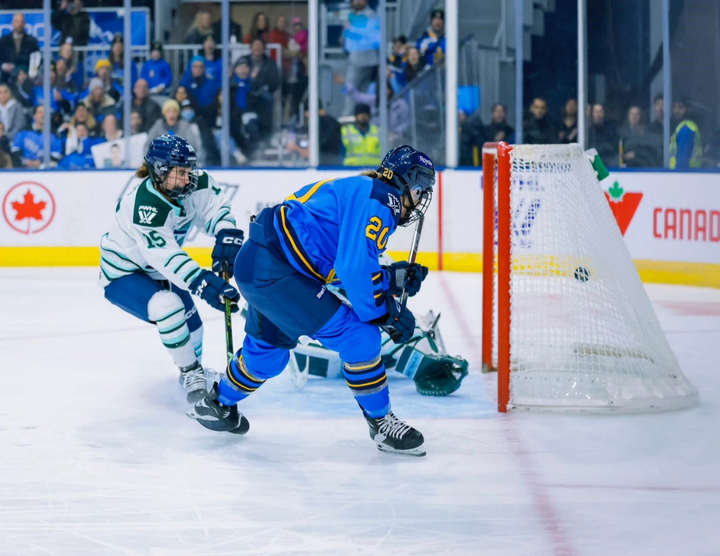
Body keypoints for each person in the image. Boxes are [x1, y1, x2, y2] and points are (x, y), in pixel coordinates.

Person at [188, 145, 435, 458]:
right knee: (361, 337)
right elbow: (353, 267)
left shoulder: (359, 189)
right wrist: (385, 312)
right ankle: (381, 423)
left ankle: (217, 404)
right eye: (419, 188)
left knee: (267, 356)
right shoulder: (383, 198)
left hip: (259, 264)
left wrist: (390, 278)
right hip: (278, 274)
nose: (419, 197)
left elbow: (333, 263)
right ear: (404, 181)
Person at [100, 135, 242, 404]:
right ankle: (191, 374)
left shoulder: (193, 184)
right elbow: (163, 255)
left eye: (189, 170)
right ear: (159, 171)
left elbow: (214, 210)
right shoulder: (144, 205)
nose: (187, 178)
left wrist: (226, 233)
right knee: (168, 307)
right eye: (180, 172)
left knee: (195, 329)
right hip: (125, 273)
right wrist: (202, 281)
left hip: (160, 269)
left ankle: (191, 369)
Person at [342, 0, 380, 115]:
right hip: (356, 59)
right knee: (362, 93)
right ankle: (359, 119)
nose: (357, 2)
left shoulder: (371, 15)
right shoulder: (353, 16)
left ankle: (347, 118)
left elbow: (371, 37)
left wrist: (351, 29)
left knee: (350, 89)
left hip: (363, 60)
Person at [145, 99, 203, 164]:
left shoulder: (185, 125)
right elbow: (148, 145)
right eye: (168, 112)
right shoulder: (158, 125)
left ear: (178, 114)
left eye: (174, 111)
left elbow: (193, 146)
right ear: (164, 114)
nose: (171, 114)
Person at [242, 39, 280, 136]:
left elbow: (274, 82)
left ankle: (266, 131)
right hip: (246, 90)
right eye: (255, 45)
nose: (257, 48)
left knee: (268, 98)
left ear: (264, 48)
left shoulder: (270, 63)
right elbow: (237, 75)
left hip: (263, 91)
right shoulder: (243, 60)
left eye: (260, 45)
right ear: (251, 47)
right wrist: (250, 79)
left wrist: (260, 83)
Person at [0, 13, 40, 84]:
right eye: (17, 21)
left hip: (27, 75)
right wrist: (3, 66)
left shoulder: (32, 41)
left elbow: (36, 59)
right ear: (12, 23)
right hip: (6, 77)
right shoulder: (3, 41)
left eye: (22, 22)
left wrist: (24, 71)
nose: (20, 24)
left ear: (25, 24)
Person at [180, 56, 221, 120]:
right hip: (190, 117)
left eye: (201, 66)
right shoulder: (185, 83)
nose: (198, 69)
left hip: (208, 116)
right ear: (190, 67)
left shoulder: (211, 83)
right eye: (195, 66)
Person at [669, 98, 702, 169]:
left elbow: (683, 160)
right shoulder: (682, 126)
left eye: (680, 107)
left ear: (687, 109)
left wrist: (678, 175)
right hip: (690, 174)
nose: (676, 111)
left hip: (684, 174)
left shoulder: (686, 129)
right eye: (674, 107)